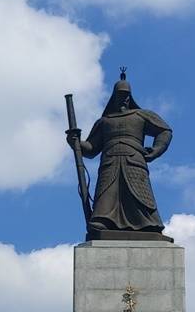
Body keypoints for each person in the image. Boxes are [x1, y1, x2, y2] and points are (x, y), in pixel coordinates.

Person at [68, 70, 172, 236]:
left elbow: (164, 131)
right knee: (107, 192)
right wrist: (76, 143)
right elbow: (91, 148)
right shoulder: (105, 121)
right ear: (114, 97)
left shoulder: (141, 115)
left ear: (130, 97)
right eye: (120, 95)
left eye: (126, 95)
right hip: (110, 162)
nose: (124, 98)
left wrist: (157, 149)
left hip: (134, 161)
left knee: (139, 193)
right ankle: (103, 220)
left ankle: (147, 223)